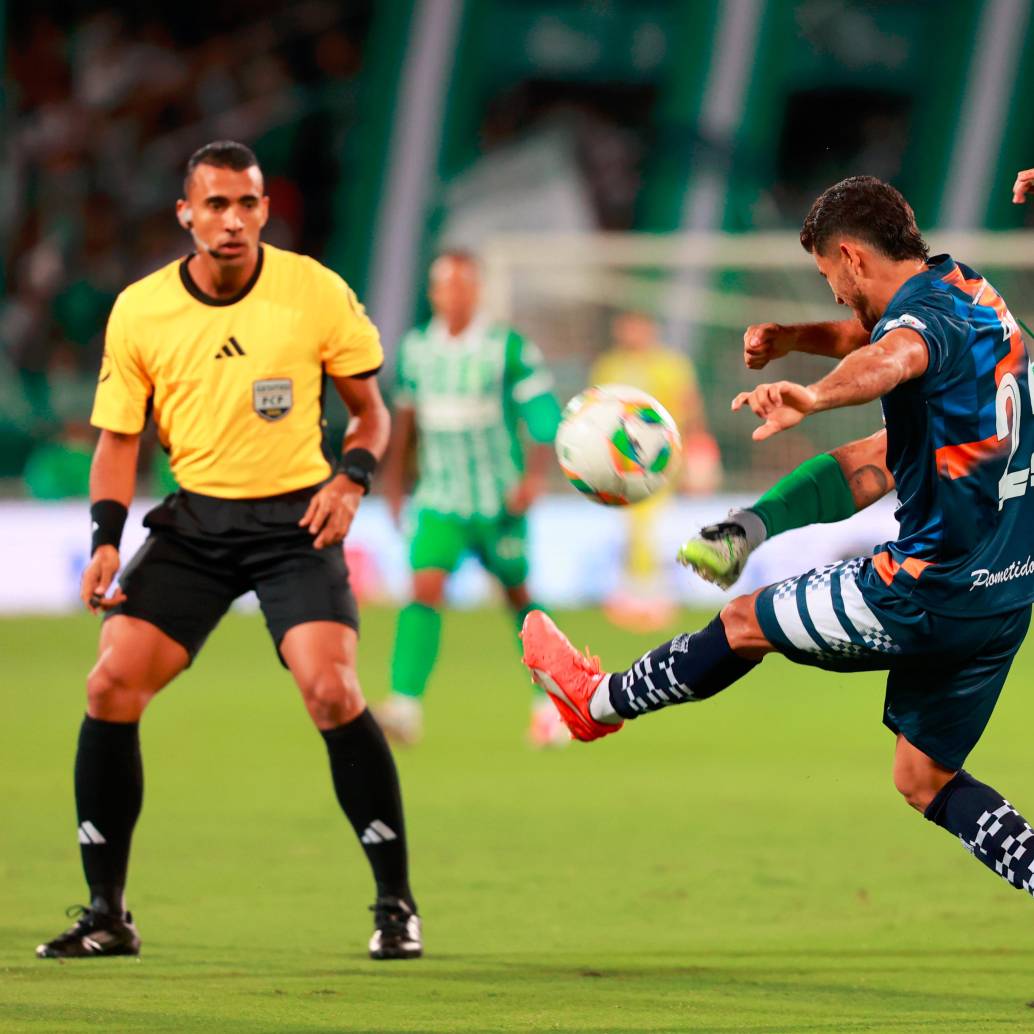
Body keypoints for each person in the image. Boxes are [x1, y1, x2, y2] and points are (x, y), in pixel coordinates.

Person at [523, 175, 1034, 906]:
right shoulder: (971, 296)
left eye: (828, 276)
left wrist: (818, 393)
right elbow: (869, 447)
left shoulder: (917, 337)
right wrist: (798, 345)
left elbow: (890, 356)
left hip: (925, 593)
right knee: (924, 780)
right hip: (1009, 593)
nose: (831, 294)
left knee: (741, 621)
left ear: (854, 259)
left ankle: (593, 704)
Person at [36, 141, 422, 961]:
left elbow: (371, 414)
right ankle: (107, 912)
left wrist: (351, 481)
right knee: (109, 685)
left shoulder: (314, 292)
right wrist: (105, 541)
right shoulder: (140, 310)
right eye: (215, 204)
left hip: (296, 524)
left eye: (246, 203)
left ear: (264, 211)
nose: (232, 220)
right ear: (186, 215)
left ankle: (395, 903)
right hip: (197, 526)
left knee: (332, 689)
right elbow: (117, 440)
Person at [377, 251, 566, 748]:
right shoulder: (417, 349)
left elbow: (542, 415)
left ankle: (555, 704)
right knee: (423, 589)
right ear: (433, 294)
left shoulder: (506, 348)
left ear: (476, 291)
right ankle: (404, 706)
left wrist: (532, 479)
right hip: (439, 499)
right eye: (445, 286)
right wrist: (394, 485)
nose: (454, 294)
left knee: (519, 602)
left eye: (463, 285)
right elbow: (406, 424)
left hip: (498, 501)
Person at [589, 311, 718, 629]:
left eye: (638, 325)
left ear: (650, 328)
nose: (632, 332)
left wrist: (697, 452)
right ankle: (646, 592)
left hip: (662, 458)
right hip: (620, 461)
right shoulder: (609, 365)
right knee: (636, 524)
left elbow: (690, 408)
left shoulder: (670, 365)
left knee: (644, 522)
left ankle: (647, 597)